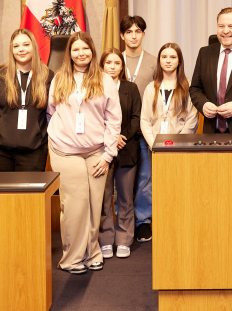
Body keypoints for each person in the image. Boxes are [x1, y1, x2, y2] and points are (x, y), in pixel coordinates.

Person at [47, 31, 121, 274]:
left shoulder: (104, 80)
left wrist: (108, 155)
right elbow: (51, 111)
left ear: (92, 51)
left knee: (94, 203)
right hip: (65, 151)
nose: (81, 53)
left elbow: (113, 120)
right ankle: (71, 257)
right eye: (76, 49)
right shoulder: (59, 78)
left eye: (85, 49)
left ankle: (93, 252)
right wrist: (60, 134)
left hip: (96, 152)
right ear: (69, 53)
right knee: (75, 205)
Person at [0, 29, 54, 172]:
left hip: (34, 150)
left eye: (25, 45)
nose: (21, 49)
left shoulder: (48, 76)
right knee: (1, 194)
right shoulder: (0, 74)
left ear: (33, 47)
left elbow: (52, 112)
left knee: (29, 195)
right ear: (11, 50)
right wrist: (0, 127)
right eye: (16, 46)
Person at [98, 48, 141, 259]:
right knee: (104, 197)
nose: (112, 67)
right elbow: (93, 118)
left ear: (122, 67)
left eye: (117, 63)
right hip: (102, 150)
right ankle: (106, 239)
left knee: (125, 198)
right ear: (102, 66)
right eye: (108, 63)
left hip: (127, 150)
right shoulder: (95, 87)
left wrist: (120, 137)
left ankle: (124, 239)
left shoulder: (130, 88)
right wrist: (110, 138)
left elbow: (136, 117)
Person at [120, 15, 158, 243]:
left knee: (145, 178)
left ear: (144, 34)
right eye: (129, 32)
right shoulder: (114, 60)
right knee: (120, 179)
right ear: (122, 35)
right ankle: (122, 220)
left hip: (144, 131)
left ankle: (143, 221)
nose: (134, 36)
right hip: (120, 133)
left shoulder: (154, 62)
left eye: (138, 31)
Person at [141, 43, 198, 148]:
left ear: (179, 60)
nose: (168, 61)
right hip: (154, 146)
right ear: (159, 61)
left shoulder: (188, 87)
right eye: (164, 57)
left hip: (181, 146)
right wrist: (153, 144)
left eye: (173, 57)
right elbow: (144, 120)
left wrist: (178, 143)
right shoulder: (151, 88)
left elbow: (192, 119)